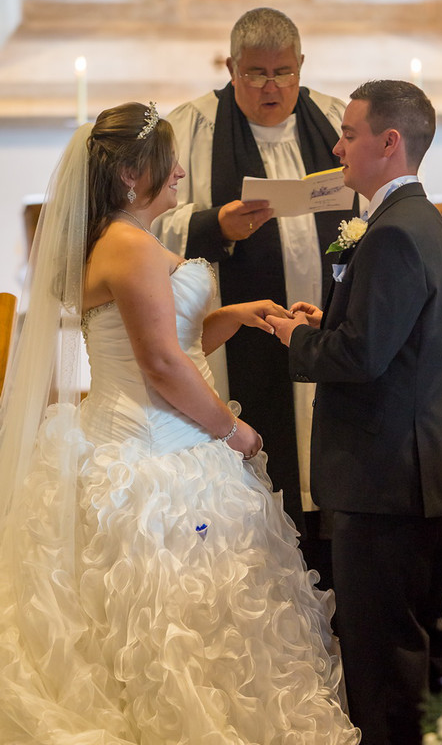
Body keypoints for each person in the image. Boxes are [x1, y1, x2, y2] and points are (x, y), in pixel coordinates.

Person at [0, 101, 360, 744]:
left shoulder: (117, 241)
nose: (180, 178)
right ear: (134, 175)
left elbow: (175, 341)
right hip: (154, 452)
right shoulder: (132, 247)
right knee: (177, 628)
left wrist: (237, 313)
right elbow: (163, 366)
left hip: (132, 431)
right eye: (168, 167)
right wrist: (234, 431)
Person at [268, 80, 442, 745]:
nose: (335, 145)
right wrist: (335, 321)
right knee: (418, 648)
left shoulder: (393, 235)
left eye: (349, 134)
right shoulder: (421, 224)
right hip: (406, 473)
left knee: (383, 664)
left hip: (382, 478)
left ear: (389, 142)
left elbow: (360, 360)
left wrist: (294, 336)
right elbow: (392, 339)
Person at [153, 8, 359, 572]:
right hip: (238, 338)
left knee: (320, 476)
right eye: (256, 73)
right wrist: (216, 225)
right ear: (231, 68)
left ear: (301, 66)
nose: (272, 86)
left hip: (322, 331)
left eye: (284, 72)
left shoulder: (337, 121)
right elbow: (148, 221)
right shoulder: (190, 128)